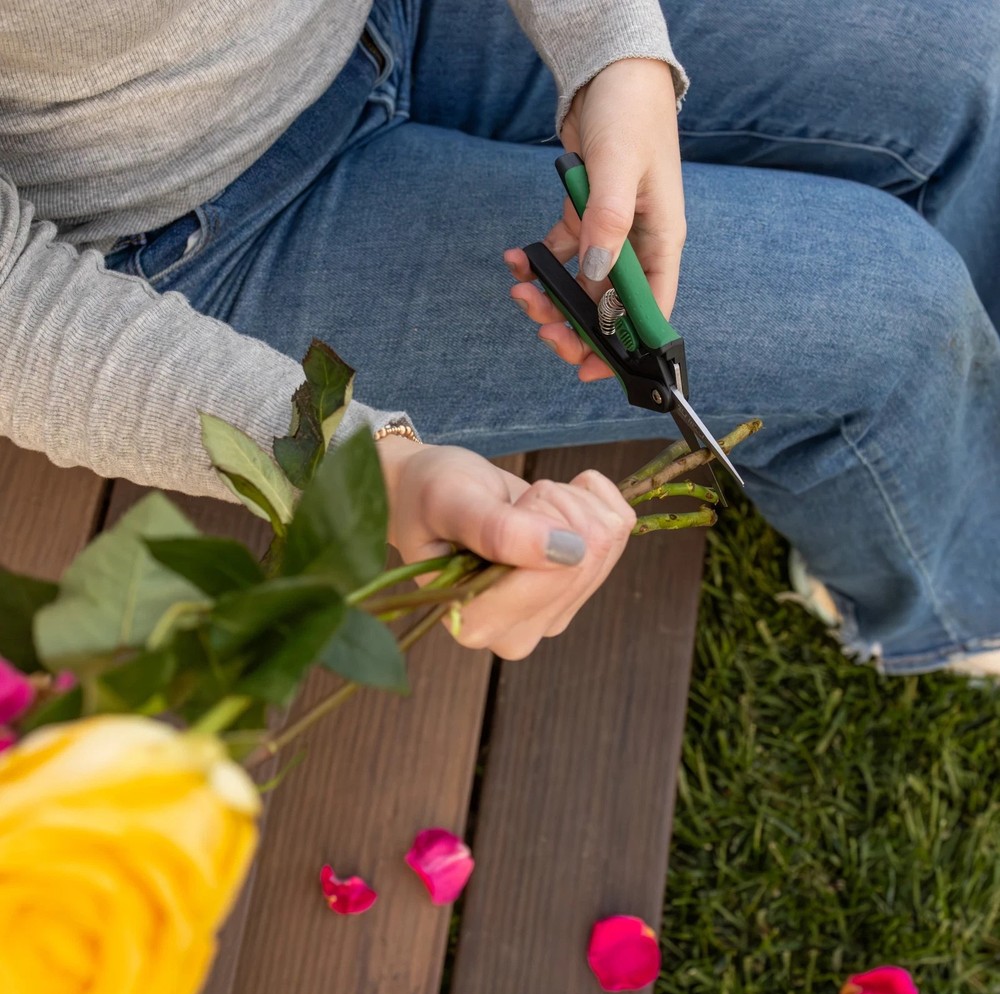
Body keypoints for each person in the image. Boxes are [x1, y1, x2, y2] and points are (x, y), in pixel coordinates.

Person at [0, 0, 997, 673]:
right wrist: (362, 471)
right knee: (892, 318)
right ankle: (956, 602)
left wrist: (613, 47)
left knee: (969, 61)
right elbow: (21, 315)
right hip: (198, 222)